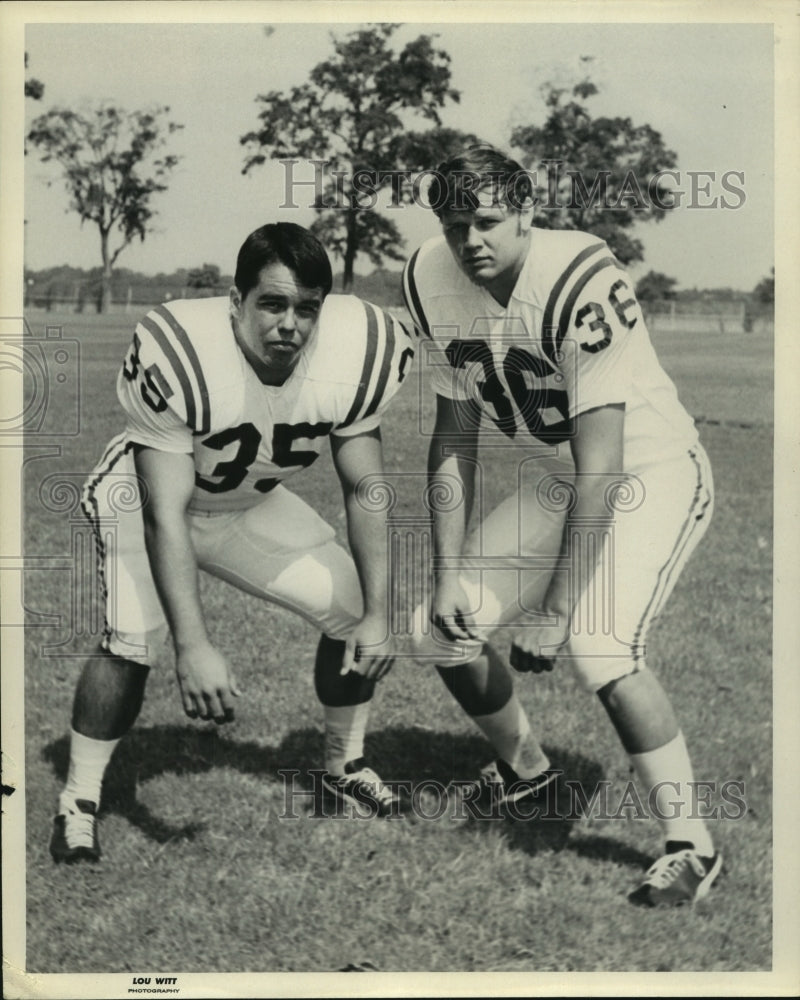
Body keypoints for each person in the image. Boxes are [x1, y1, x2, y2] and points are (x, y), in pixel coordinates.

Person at [402, 144, 721, 907]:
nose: (469, 240)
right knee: (438, 628)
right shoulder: (428, 277)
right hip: (559, 479)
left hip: (650, 471)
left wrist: (552, 609)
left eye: (485, 221)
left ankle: (693, 844)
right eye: (454, 225)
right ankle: (532, 775)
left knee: (600, 645)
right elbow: (454, 435)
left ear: (526, 212)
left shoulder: (578, 277)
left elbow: (604, 468)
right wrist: (447, 574)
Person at [51, 222, 417, 863]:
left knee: (357, 607)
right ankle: (78, 800)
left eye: (307, 309)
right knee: (132, 641)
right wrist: (193, 646)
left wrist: (382, 615)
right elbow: (166, 512)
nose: (290, 325)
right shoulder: (181, 347)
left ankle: (342, 768)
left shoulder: (361, 351)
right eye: (272, 304)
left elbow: (366, 488)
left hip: (249, 500)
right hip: (145, 500)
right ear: (235, 302)